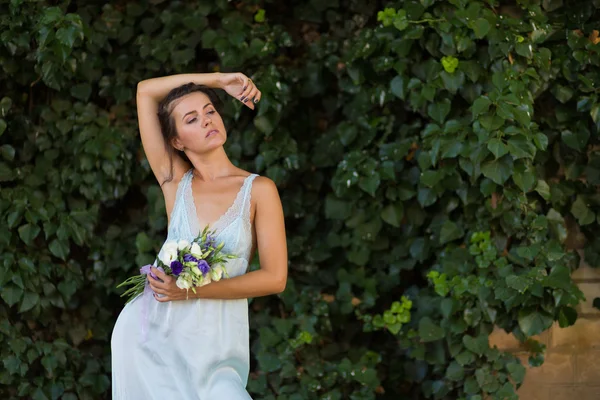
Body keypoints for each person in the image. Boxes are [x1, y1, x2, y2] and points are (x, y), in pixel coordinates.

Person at [111, 72, 288, 399]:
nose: (207, 120)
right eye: (192, 119)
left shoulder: (259, 190)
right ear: (177, 141)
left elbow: (275, 278)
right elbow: (145, 90)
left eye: (210, 110)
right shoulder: (174, 183)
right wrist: (219, 81)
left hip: (215, 349)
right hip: (151, 341)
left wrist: (190, 292)